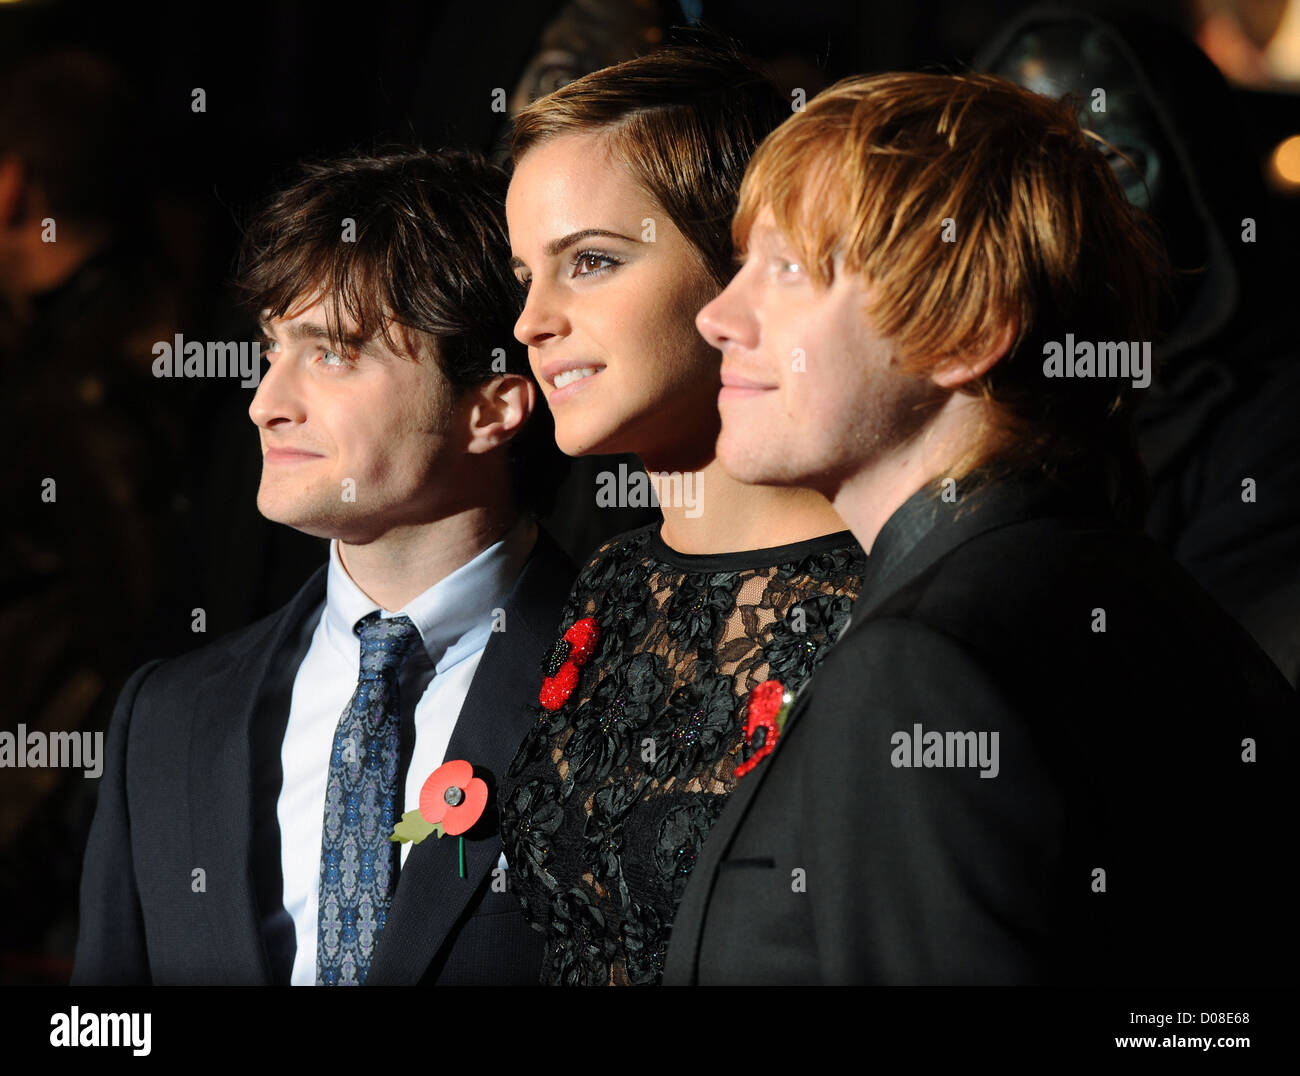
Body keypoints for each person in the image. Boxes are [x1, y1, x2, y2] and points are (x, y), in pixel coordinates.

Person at [667, 71, 1298, 985]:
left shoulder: (925, 664)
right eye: (740, 265)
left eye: (791, 269)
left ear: (967, 333)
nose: (717, 317)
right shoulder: (1132, 597)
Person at [72, 149, 575, 985]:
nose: (267, 402)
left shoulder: (632, 680)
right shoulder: (167, 717)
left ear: (491, 408)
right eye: (274, 349)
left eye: (333, 352)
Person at [498, 41, 867, 986]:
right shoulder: (610, 585)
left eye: (589, 260)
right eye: (524, 274)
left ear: (738, 265)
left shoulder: (878, 608)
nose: (531, 320)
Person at [977, 7, 1300, 687]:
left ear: (1193, 167)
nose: (1057, 211)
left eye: (1110, 162)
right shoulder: (965, 389)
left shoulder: (1269, 422)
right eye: (1023, 168)